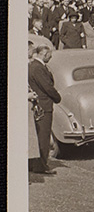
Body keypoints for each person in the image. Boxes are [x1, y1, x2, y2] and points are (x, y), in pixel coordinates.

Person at [28, 45, 60, 175]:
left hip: (39, 104)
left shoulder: (34, 66)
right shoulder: (38, 68)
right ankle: (41, 165)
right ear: (43, 54)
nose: (50, 56)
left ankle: (35, 163)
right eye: (49, 54)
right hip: (43, 105)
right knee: (43, 135)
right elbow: (47, 86)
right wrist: (57, 97)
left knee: (38, 134)